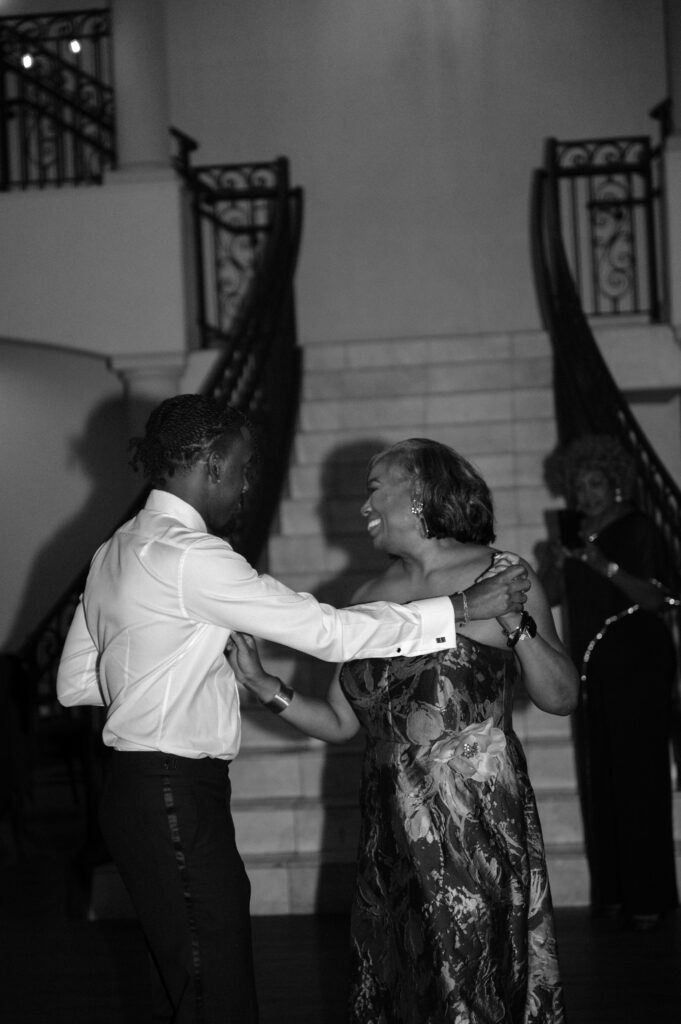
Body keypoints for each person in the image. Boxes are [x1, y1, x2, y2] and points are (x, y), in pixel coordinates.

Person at [55, 398, 530, 1024]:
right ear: (213, 463)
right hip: (173, 790)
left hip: (134, 791)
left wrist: (163, 677)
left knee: (181, 978)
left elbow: (74, 684)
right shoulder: (191, 556)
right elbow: (329, 634)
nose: (250, 483)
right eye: (247, 468)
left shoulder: (114, 550)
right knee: (213, 989)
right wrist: (460, 609)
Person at [228, 437, 579, 1024]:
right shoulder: (368, 598)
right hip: (388, 827)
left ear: (419, 492)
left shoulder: (497, 573)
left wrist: (517, 624)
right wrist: (265, 687)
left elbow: (562, 696)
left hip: (473, 823)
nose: (362, 506)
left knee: (472, 983)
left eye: (374, 489)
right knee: (400, 983)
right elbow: (343, 721)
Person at [538, 434, 679, 931]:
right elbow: (553, 595)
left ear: (615, 483)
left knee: (640, 775)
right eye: (579, 486)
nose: (586, 494)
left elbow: (660, 599)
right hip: (595, 662)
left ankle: (651, 895)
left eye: (595, 483)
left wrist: (603, 564)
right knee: (605, 776)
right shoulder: (577, 534)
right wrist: (557, 565)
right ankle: (616, 893)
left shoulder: (636, 526)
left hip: (638, 656)